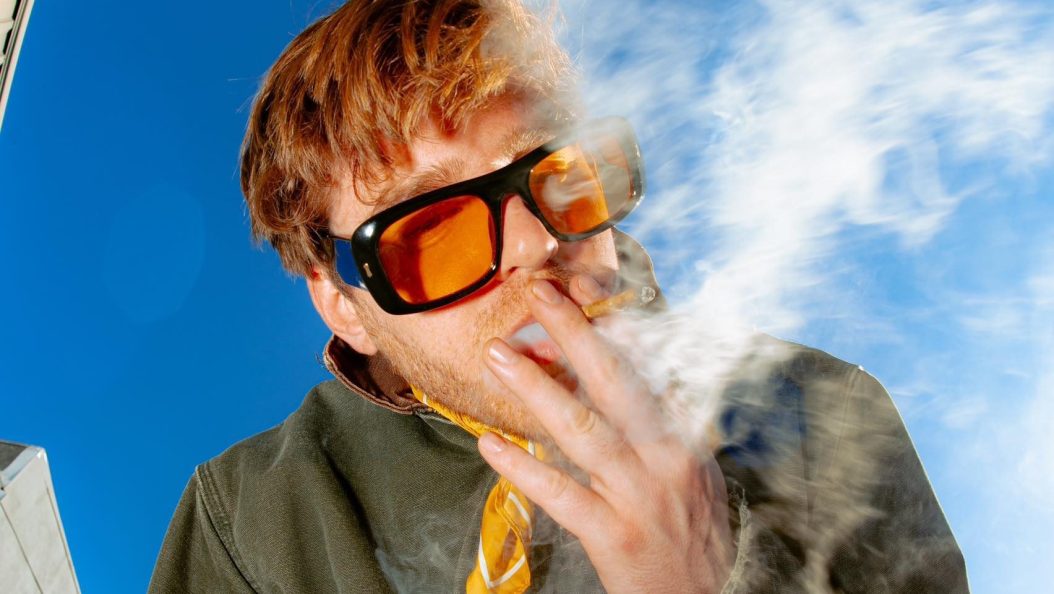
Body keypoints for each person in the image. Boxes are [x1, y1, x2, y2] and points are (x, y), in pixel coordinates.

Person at [149, 1, 968, 592]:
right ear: (342, 305)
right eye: (430, 230)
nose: (536, 245)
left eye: (553, 175)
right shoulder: (251, 520)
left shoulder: (825, 414)